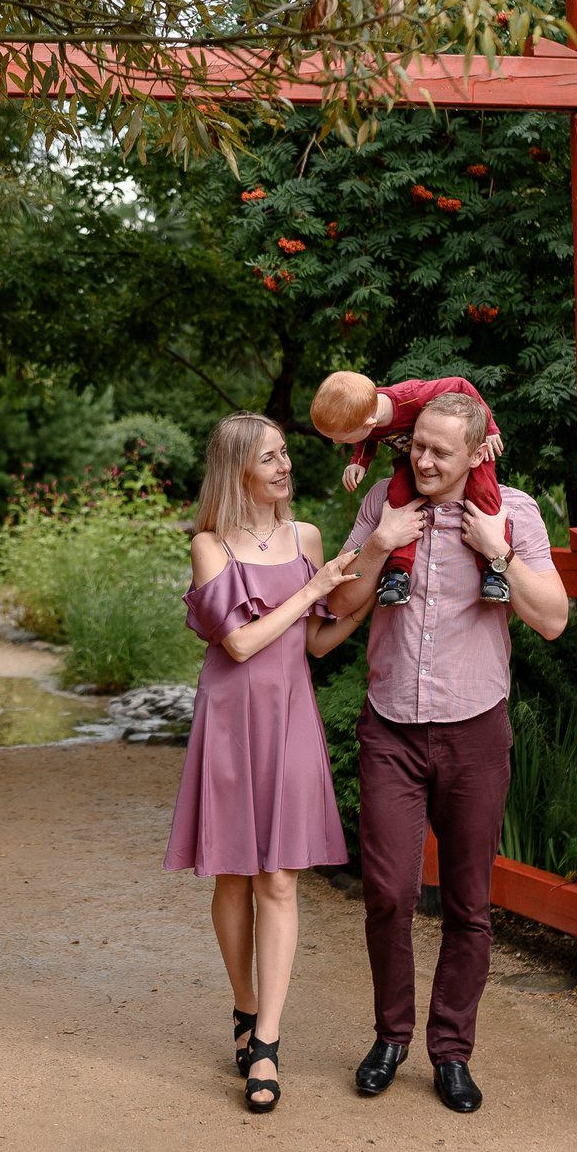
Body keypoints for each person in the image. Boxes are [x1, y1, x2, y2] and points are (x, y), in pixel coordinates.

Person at [324, 391, 568, 1114]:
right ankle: (391, 1036)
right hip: (391, 724)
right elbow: (337, 608)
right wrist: (376, 541)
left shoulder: (512, 511)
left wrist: (497, 551)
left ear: (475, 456)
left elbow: (553, 619)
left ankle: (452, 1051)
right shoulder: (384, 502)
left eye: (439, 452)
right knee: (389, 892)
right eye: (417, 446)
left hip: (474, 728)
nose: (423, 460)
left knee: (468, 903)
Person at [166, 412, 364, 1114]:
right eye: (271, 458)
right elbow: (241, 645)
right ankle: (245, 1008)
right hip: (231, 718)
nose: (286, 466)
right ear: (238, 470)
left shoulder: (305, 537)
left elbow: (313, 645)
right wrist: (313, 591)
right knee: (235, 873)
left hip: (289, 716)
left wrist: (367, 584)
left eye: (286, 454)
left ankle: (268, 1046)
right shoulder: (210, 546)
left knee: (279, 878)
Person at [308, 370, 512, 606]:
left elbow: (461, 384)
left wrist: (490, 428)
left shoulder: (410, 397)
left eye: (342, 438)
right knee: (397, 499)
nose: (336, 442)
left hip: (466, 448)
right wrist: (359, 461)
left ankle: (494, 571)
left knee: (485, 497)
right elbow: (367, 437)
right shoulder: (364, 413)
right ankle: (397, 572)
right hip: (413, 459)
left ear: (370, 423)